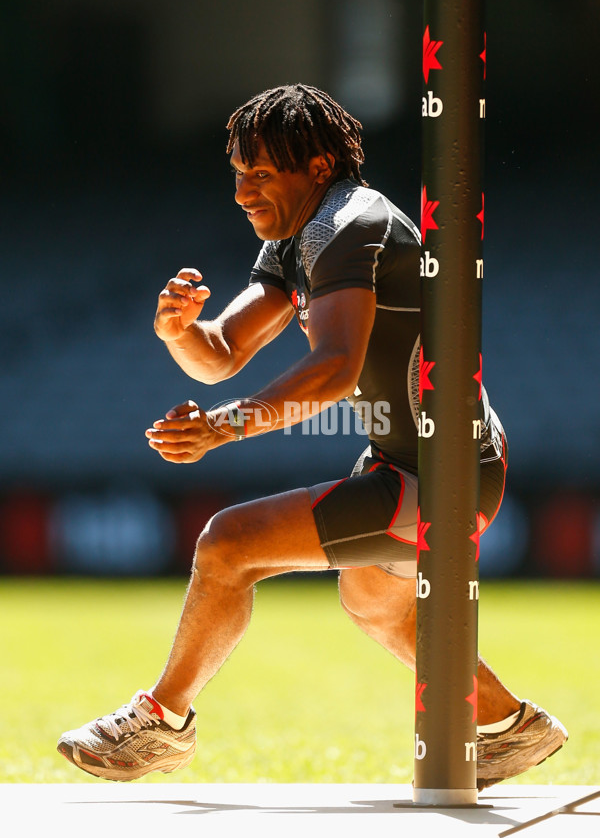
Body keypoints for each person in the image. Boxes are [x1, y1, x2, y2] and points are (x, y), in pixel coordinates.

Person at [57, 84, 567, 788]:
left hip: (442, 476)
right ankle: (512, 727)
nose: (242, 192)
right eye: (238, 173)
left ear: (319, 167)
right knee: (373, 603)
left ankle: (161, 722)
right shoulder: (300, 237)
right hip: (415, 464)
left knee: (229, 544)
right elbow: (224, 351)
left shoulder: (348, 226)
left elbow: (332, 371)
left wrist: (224, 428)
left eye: (261, 173)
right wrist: (176, 332)